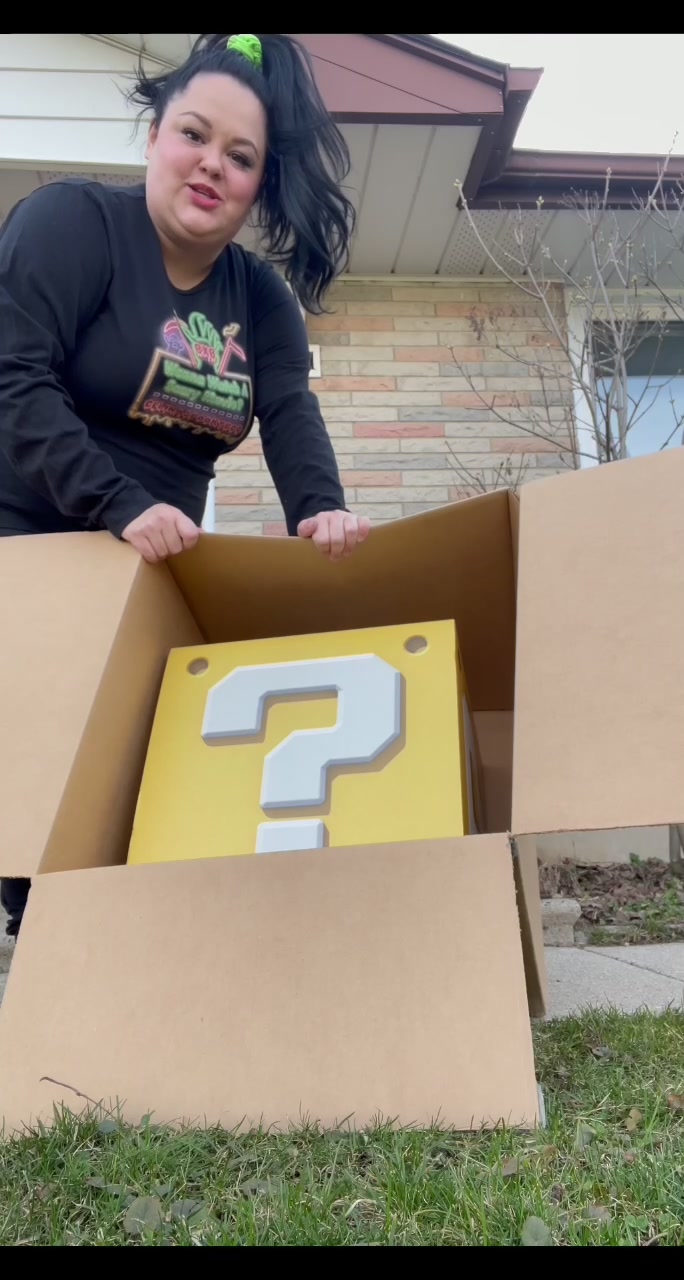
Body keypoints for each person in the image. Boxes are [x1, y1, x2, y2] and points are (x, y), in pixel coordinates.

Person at [0, 33, 371, 939]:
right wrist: (117, 503)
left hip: (147, 566)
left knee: (124, 786)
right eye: (195, 135)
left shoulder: (261, 301)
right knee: (36, 782)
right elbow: (12, 379)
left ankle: (83, 946)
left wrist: (321, 511)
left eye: (240, 157)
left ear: (258, 184)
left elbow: (289, 412)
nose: (212, 165)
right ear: (155, 136)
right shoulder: (72, 224)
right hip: (28, 540)